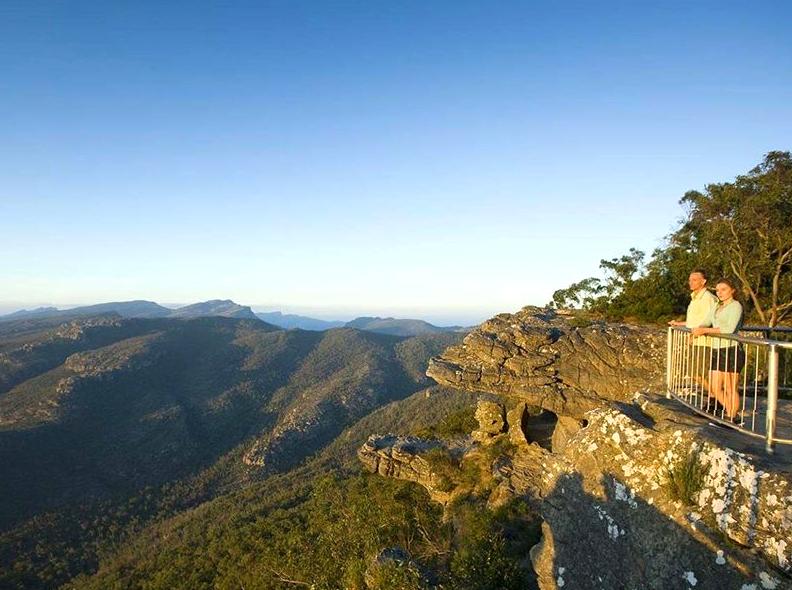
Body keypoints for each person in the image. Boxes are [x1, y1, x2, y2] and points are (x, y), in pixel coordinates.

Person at [691, 278, 745, 423]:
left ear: (732, 290)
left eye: (724, 289)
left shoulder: (736, 306)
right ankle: (731, 413)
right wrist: (696, 330)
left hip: (731, 349)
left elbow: (728, 329)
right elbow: (706, 321)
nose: (720, 293)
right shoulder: (717, 306)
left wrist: (703, 330)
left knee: (730, 387)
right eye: (717, 290)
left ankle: (731, 416)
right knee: (715, 386)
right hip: (717, 348)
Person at [668, 269, 718, 399]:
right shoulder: (695, 298)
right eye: (690, 280)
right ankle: (714, 400)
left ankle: (719, 399)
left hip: (705, 342)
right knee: (697, 373)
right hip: (697, 341)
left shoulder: (708, 299)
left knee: (699, 374)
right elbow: (695, 321)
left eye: (694, 280)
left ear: (704, 281)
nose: (690, 282)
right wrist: (679, 324)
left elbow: (709, 321)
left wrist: (694, 334)